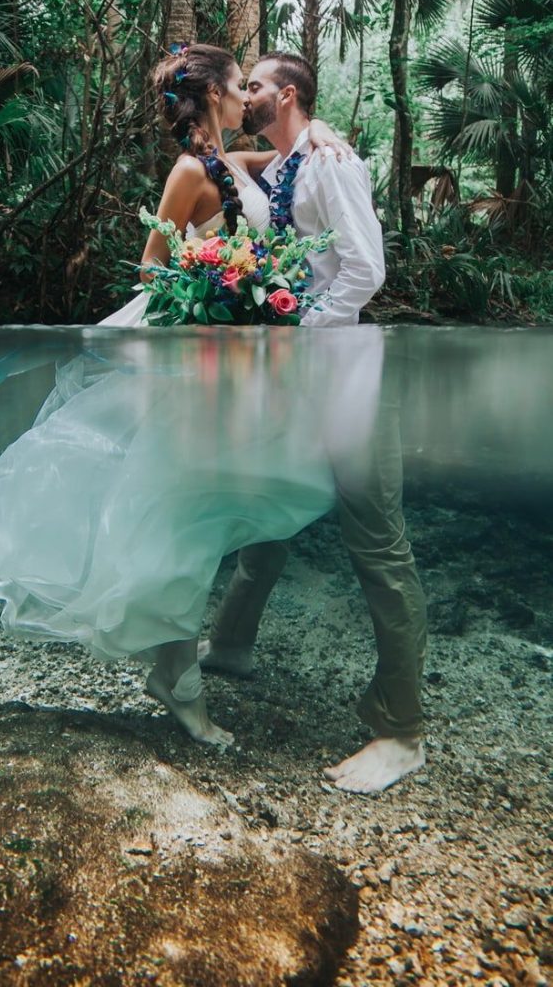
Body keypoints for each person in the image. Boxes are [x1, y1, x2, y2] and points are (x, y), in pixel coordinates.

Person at [0, 44, 351, 750]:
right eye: (241, 87)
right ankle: (177, 682)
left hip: (229, 375)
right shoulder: (188, 170)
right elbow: (150, 266)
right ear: (218, 96)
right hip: (191, 371)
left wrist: (319, 130)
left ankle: (182, 665)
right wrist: (221, 290)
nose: (249, 98)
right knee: (180, 527)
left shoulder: (227, 163)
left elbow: (274, 165)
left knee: (209, 518)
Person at [198, 52, 428, 794]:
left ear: (285, 94)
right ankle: (230, 644)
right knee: (266, 502)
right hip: (298, 380)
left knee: (378, 546)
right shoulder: (289, 162)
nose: (246, 94)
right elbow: (228, 157)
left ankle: (401, 730)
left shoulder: (330, 166)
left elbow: (365, 272)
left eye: (255, 84)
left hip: (348, 376)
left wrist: (306, 336)